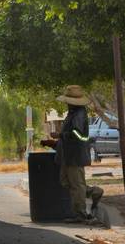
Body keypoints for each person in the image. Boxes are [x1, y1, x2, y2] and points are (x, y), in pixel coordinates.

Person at [40, 85, 103, 222]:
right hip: (67, 156)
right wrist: (54, 143)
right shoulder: (72, 113)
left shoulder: (79, 114)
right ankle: (94, 192)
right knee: (66, 182)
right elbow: (69, 137)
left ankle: (80, 214)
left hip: (75, 156)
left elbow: (78, 135)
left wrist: (60, 134)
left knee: (76, 185)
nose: (67, 103)